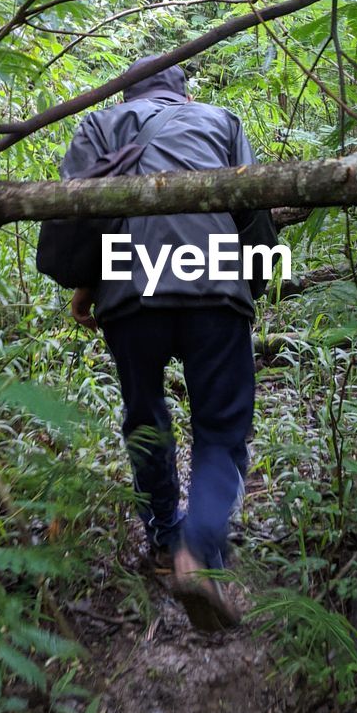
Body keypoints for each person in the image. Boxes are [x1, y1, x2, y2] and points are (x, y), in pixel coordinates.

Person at [60, 56, 270, 632]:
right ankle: (198, 554)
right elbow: (250, 211)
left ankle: (163, 537)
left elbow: (79, 215)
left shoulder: (98, 126)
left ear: (127, 90)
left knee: (146, 414)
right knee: (222, 427)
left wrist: (87, 286)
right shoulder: (222, 121)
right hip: (216, 285)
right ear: (182, 93)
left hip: (129, 286)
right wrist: (248, 285)